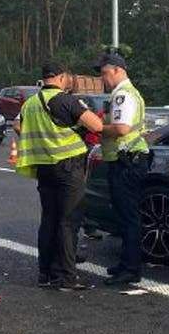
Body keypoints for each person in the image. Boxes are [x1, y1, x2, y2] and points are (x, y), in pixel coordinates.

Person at [13, 62, 103, 291]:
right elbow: (97, 125)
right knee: (68, 221)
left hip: (44, 167)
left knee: (49, 219)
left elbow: (17, 126)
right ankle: (66, 277)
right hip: (68, 166)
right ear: (62, 78)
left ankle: (46, 272)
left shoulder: (31, 102)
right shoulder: (65, 100)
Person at [95, 52, 149, 286]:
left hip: (127, 160)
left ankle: (130, 268)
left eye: (105, 74)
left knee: (129, 217)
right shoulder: (126, 93)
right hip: (128, 159)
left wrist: (98, 126)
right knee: (125, 216)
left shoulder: (123, 95)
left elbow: (121, 129)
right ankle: (126, 263)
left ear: (118, 70)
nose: (103, 79)